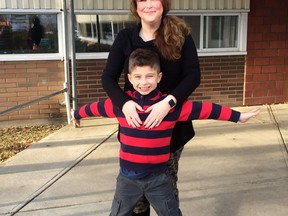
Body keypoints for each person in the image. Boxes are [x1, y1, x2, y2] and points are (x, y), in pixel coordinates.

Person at [72, 48, 260, 216]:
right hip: (127, 179)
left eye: (149, 76)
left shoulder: (169, 107)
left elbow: (206, 110)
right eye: (137, 77)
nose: (143, 82)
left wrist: (237, 116)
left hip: (158, 179)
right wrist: (77, 114)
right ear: (129, 78)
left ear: (159, 77)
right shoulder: (120, 106)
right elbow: (94, 108)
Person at [101, 1, 201, 215]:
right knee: (136, 200)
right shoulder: (125, 37)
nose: (148, 5)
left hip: (171, 131)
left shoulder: (180, 36)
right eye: (142, 0)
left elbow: (193, 75)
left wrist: (168, 103)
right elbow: (108, 78)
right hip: (134, 130)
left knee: (166, 196)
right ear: (135, 6)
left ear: (163, 4)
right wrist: (124, 103)